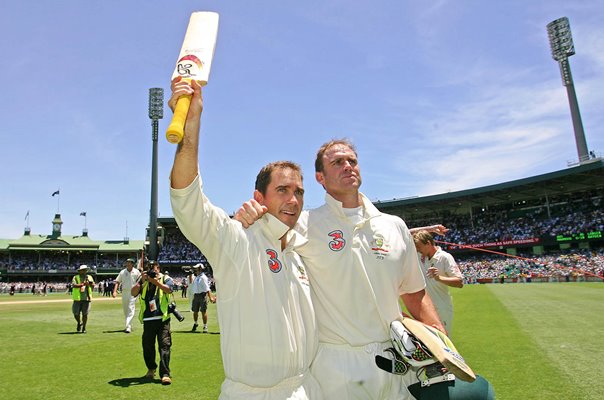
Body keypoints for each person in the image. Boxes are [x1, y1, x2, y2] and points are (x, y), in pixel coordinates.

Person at [235, 138, 445, 399]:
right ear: (320, 177)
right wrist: (248, 216)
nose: (348, 166)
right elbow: (262, 238)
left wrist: (442, 342)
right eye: (337, 162)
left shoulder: (395, 226)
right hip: (335, 367)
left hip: (397, 361)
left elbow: (415, 292)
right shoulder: (303, 224)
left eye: (352, 161)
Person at [169, 77, 322, 400]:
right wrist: (191, 124)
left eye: (299, 192)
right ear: (259, 196)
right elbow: (187, 198)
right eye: (282, 190)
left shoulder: (302, 251)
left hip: (305, 388)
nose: (293, 200)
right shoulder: (236, 241)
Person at [131, 260, 174, 385]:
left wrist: (155, 281)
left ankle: (165, 373)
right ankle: (151, 368)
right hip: (148, 319)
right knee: (147, 346)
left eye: (153, 267)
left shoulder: (165, 278)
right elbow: (133, 293)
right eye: (148, 267)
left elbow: (169, 290)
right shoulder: (143, 280)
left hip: (162, 319)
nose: (151, 270)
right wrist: (141, 281)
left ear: (158, 268)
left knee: (165, 346)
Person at [413, 230, 463, 334]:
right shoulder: (420, 256)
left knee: (443, 342)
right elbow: (405, 231)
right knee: (428, 344)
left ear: (428, 243)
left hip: (442, 308)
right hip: (426, 309)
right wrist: (432, 228)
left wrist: (439, 278)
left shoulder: (445, 257)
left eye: (419, 246)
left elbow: (459, 282)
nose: (417, 250)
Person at [112, 258, 142, 333]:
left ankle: (128, 326)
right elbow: (117, 282)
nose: (128, 264)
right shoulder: (122, 272)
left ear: (132, 264)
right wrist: (114, 291)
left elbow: (140, 281)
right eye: (127, 262)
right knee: (126, 310)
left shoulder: (136, 272)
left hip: (133, 292)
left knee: (131, 308)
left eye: (129, 262)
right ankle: (128, 325)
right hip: (125, 292)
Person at [190, 263, 216, 333]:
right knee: (195, 311)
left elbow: (207, 288)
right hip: (196, 295)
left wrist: (210, 297)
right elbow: (192, 284)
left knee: (203, 311)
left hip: (202, 295)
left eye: (196, 268)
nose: (195, 269)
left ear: (200, 269)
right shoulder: (197, 277)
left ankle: (205, 326)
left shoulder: (203, 277)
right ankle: (195, 323)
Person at [71, 264, 95, 334]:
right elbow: (74, 285)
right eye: (83, 270)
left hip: (86, 298)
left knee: (85, 314)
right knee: (76, 313)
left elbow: (93, 285)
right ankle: (79, 322)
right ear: (80, 271)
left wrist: (90, 284)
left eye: (85, 270)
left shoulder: (89, 277)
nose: (85, 271)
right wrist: (82, 284)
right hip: (77, 298)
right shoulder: (75, 277)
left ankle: (84, 327)